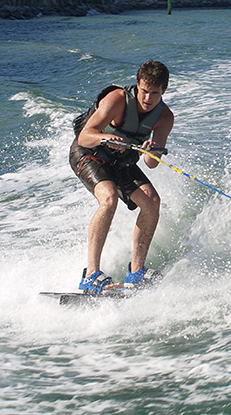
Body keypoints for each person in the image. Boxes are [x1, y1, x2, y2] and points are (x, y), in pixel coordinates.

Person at [69, 60, 174, 294]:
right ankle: (90, 275)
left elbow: (150, 164)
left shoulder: (165, 117)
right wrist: (104, 138)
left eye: (154, 94)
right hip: (89, 153)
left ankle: (136, 273)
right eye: (144, 91)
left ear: (163, 91)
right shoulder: (117, 99)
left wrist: (153, 150)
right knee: (109, 198)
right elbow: (84, 137)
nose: (147, 99)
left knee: (151, 202)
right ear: (137, 85)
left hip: (120, 160)